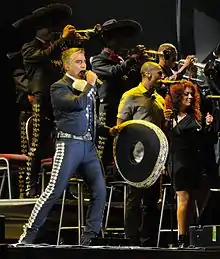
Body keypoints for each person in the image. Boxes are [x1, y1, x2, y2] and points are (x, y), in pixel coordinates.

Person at [18, 47, 118, 246]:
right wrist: (90, 86)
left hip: (88, 146)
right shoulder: (59, 87)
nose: (83, 65)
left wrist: (109, 130)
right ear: (66, 66)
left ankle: (89, 237)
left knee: (100, 190)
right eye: (78, 62)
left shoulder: (86, 87)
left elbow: (91, 120)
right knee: (54, 190)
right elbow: (78, 104)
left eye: (84, 61)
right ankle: (28, 234)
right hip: (69, 144)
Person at [13, 3, 81, 197]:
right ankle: (30, 188)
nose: (53, 32)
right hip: (41, 100)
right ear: (39, 30)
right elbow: (43, 56)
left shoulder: (56, 49)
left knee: (63, 144)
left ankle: (62, 188)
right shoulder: (28, 48)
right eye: (49, 29)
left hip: (58, 98)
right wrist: (61, 41)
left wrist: (72, 44)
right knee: (36, 144)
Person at [116, 61, 164, 246]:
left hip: (155, 157)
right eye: (159, 73)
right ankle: (131, 240)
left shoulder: (159, 99)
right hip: (136, 156)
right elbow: (120, 126)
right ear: (147, 75)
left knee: (151, 202)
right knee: (134, 198)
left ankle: (148, 242)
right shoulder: (131, 96)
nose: (162, 77)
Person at [90, 18, 143, 181]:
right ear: (108, 40)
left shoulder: (122, 59)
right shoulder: (98, 60)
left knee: (121, 145)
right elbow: (114, 72)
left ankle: (116, 179)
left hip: (124, 107)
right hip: (108, 106)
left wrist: (139, 63)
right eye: (116, 38)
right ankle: (96, 181)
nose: (120, 41)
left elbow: (132, 79)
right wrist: (132, 60)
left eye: (121, 37)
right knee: (103, 146)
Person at [164, 80, 214, 247]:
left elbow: (205, 141)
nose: (190, 97)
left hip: (194, 162)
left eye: (192, 94)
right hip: (178, 162)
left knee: (195, 200)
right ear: (178, 96)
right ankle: (182, 237)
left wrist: (207, 126)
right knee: (183, 198)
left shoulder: (195, 116)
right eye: (186, 94)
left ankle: (193, 235)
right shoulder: (170, 118)